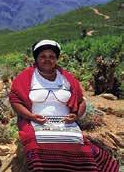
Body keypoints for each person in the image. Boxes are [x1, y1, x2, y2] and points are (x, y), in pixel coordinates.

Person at [9, 40, 119, 172]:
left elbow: (81, 101)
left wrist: (76, 115)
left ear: (56, 59)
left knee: (79, 145)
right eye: (43, 56)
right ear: (36, 58)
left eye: (52, 57)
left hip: (66, 123)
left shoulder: (66, 78)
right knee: (35, 146)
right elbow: (15, 101)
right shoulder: (26, 77)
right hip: (35, 122)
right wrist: (31, 116)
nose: (47, 60)